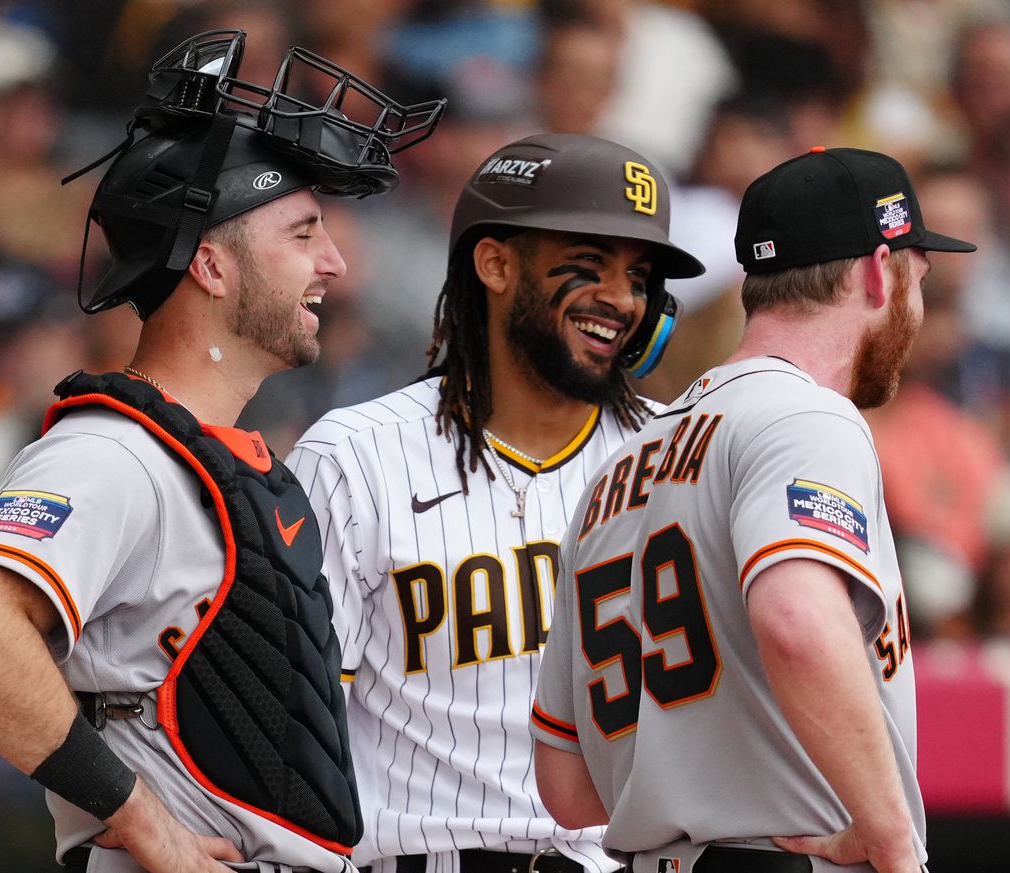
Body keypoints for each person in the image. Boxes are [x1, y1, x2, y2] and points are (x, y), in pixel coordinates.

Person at [0, 30, 443, 873]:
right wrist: (142, 821)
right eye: (304, 232)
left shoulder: (226, 458)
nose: (335, 263)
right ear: (210, 263)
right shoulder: (116, 451)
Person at [532, 147, 976, 873]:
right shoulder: (806, 417)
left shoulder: (623, 461)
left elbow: (570, 786)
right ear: (876, 271)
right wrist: (892, 838)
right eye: (916, 278)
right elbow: (795, 619)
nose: (918, 308)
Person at [286, 133, 705, 873]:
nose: (622, 298)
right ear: (497, 262)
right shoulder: (355, 455)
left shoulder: (679, 457)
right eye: (592, 262)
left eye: (639, 276)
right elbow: (299, 725)